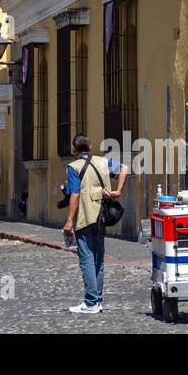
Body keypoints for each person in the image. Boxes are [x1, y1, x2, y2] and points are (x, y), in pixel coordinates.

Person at [61, 135, 127, 314]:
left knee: (86, 259)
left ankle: (90, 302)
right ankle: (97, 300)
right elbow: (124, 168)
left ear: (73, 150)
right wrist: (118, 190)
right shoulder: (103, 162)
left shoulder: (73, 167)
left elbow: (75, 194)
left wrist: (69, 220)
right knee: (99, 258)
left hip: (85, 216)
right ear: (90, 146)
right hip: (102, 215)